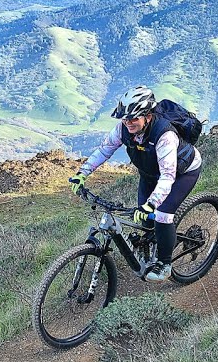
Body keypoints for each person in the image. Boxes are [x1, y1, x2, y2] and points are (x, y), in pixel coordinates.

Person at [69, 85, 202, 282]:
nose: (128, 122)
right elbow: (105, 150)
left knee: (162, 215)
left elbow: (167, 176)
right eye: (125, 118)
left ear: (147, 116)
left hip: (182, 173)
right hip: (149, 174)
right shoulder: (123, 129)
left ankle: (165, 264)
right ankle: (152, 247)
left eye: (134, 118)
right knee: (145, 219)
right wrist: (82, 173)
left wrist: (153, 203)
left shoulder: (165, 135)